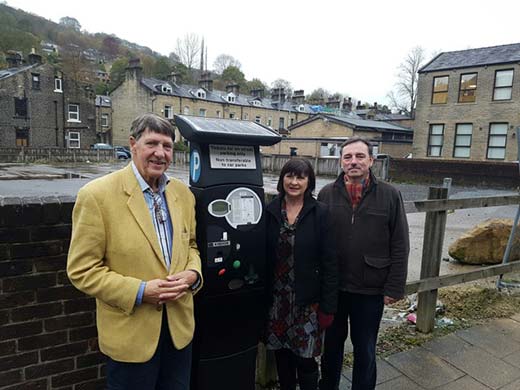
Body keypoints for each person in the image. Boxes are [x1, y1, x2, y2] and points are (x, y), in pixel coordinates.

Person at [67, 113, 202, 390]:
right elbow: (82, 270)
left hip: (179, 332)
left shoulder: (183, 194)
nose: (160, 153)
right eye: (152, 143)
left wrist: (192, 275)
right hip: (131, 337)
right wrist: (141, 291)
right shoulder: (96, 196)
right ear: (133, 144)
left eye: (167, 146)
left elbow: (191, 246)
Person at [318, 137, 409, 390]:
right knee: (331, 348)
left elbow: (400, 242)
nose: (353, 161)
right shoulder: (326, 193)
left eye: (359, 156)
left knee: (365, 349)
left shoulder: (390, 195)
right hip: (334, 288)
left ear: (371, 160)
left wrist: (394, 287)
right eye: (348, 157)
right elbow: (318, 241)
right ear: (340, 162)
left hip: (370, 288)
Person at [264, 158, 338, 390]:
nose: (294, 182)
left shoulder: (321, 213)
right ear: (282, 178)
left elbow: (330, 263)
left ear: (309, 182)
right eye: (289, 176)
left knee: (305, 360)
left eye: (300, 177)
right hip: (277, 300)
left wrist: (328, 307)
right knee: (282, 355)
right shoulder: (270, 210)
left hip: (308, 303)